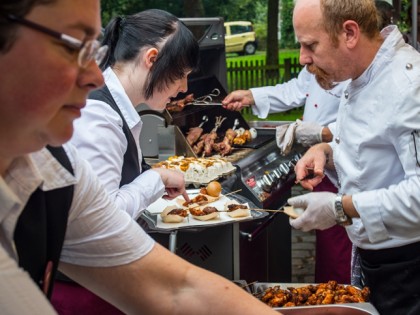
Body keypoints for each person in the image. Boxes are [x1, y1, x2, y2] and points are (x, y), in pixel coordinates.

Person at [0, 1, 280, 314]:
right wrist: (155, 179)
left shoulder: (60, 170)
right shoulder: (96, 117)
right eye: (74, 47)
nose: (96, 76)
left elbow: (176, 288)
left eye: (95, 53)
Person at [52, 9, 197, 314]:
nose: (184, 88)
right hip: (83, 293)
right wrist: (154, 179)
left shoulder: (115, 107)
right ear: (152, 59)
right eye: (183, 74)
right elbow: (102, 218)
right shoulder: (100, 115)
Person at [288, 0, 420, 314]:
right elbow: (369, 142)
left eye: (311, 45)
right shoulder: (364, 73)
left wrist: (339, 207)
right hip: (371, 258)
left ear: (349, 33)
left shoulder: (409, 86)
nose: (303, 59)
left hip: (408, 269)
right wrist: (326, 151)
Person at [222, 67, 352, 284]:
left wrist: (323, 132)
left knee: (340, 254)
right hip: (323, 171)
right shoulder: (319, 62)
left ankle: (343, 303)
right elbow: (297, 89)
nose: (303, 58)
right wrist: (251, 96)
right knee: (328, 249)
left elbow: (365, 122)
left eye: (310, 46)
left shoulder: (358, 68)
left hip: (345, 174)